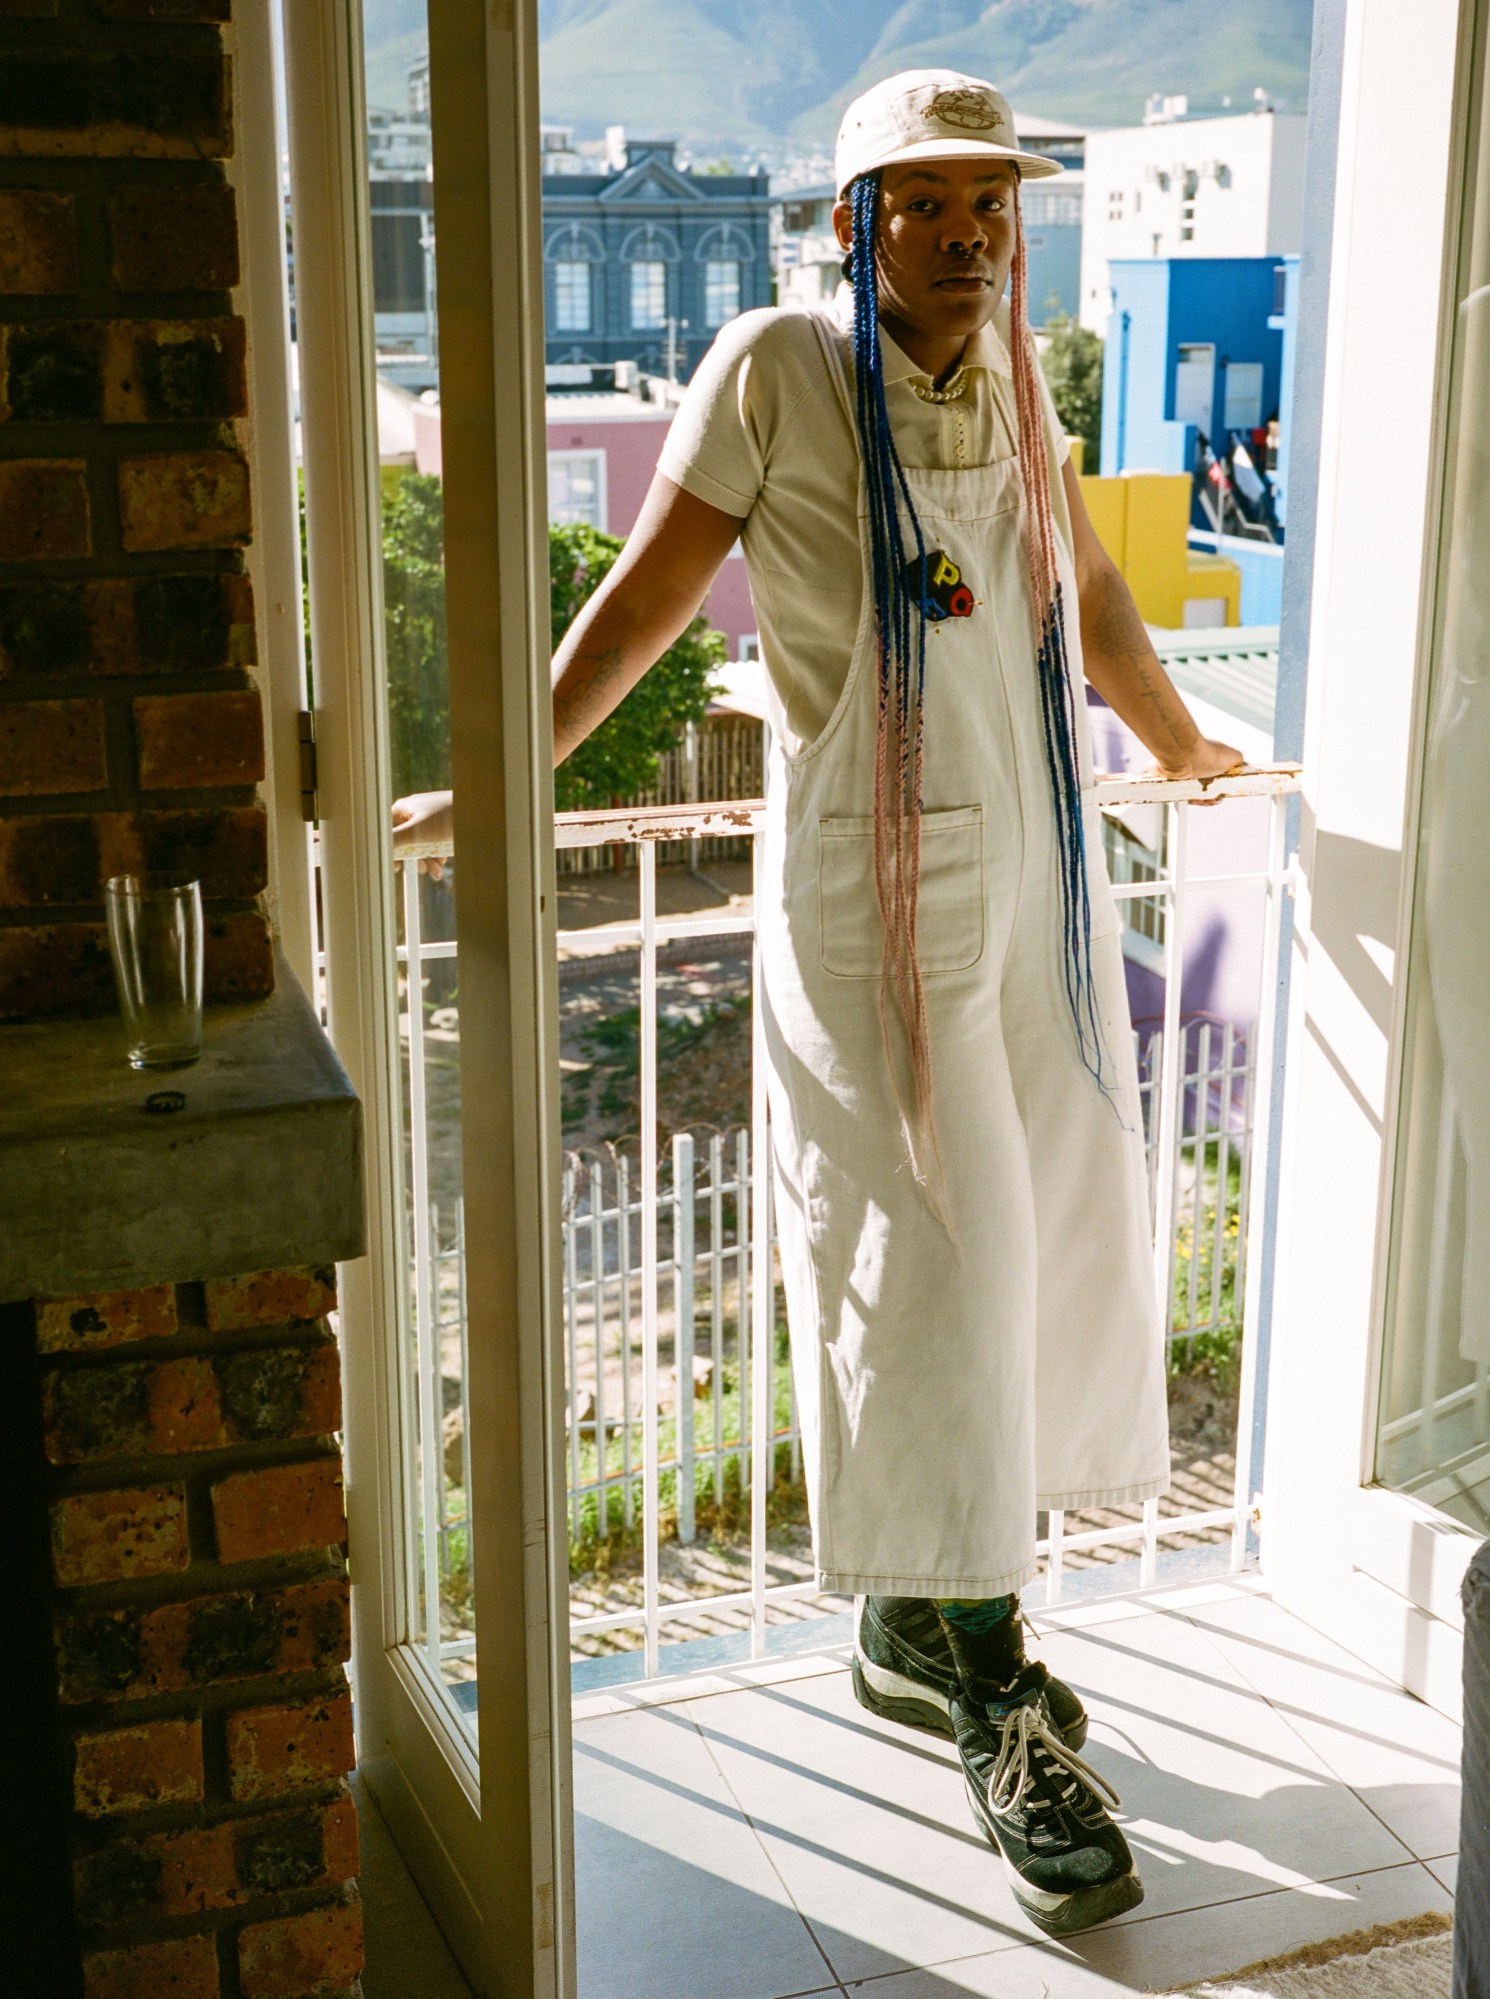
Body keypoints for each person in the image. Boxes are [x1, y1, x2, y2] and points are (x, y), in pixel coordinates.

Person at [394, 69, 1243, 1937]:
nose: (962, 234)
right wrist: (499, 783)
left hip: (1026, 871)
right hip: (865, 901)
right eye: (922, 204)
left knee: (1031, 1251)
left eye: (986, 204)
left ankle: (911, 1628)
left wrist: (1182, 743)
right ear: (852, 221)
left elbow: (1076, 588)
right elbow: (636, 603)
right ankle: (989, 1675)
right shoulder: (775, 366)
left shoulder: (1018, 378)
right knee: (925, 1264)